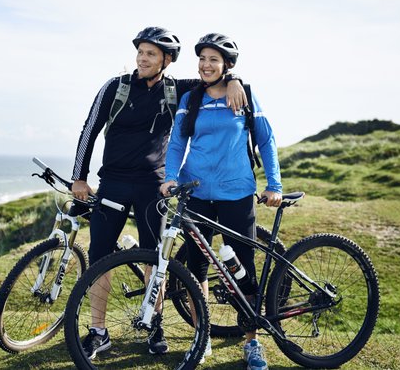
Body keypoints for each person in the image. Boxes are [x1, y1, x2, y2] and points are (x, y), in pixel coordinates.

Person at [71, 26, 246, 360]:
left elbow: (213, 75)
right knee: (100, 257)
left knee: (156, 258)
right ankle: (98, 333)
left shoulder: (176, 89)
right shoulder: (115, 87)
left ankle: (154, 326)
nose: (142, 58)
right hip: (113, 183)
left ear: (167, 59)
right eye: (140, 52)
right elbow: (89, 130)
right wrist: (79, 178)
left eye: (150, 54)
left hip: (153, 186)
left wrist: (235, 79)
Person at [160, 32, 282, 369]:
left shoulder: (244, 95)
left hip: (236, 193)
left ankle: (252, 341)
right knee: (196, 267)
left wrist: (274, 185)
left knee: (243, 267)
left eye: (213, 59)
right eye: (202, 59)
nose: (205, 65)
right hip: (195, 192)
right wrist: (171, 176)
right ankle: (203, 338)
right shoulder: (190, 98)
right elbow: (177, 142)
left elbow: (266, 140)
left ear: (226, 64)